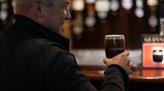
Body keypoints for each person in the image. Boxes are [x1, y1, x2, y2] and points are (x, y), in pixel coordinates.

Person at [0, 0, 131, 91]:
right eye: (64, 6)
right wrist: (117, 70)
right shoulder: (53, 58)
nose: (68, 15)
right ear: (39, 8)